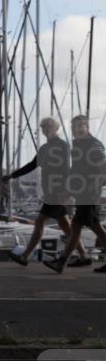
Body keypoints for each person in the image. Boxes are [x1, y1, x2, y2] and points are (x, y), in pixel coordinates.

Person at [2, 117, 90, 266]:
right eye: (43, 128)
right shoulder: (44, 148)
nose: (45, 130)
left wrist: (64, 189)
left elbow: (65, 169)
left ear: (56, 128)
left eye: (48, 127)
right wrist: (12, 175)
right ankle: (83, 254)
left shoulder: (62, 145)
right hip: (50, 190)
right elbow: (32, 165)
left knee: (40, 221)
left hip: (57, 191)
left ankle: (25, 256)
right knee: (65, 225)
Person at [44, 115, 106, 273]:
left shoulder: (93, 146)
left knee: (82, 225)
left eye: (80, 126)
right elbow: (76, 171)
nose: (76, 130)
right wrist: (68, 190)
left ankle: (62, 261)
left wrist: (94, 187)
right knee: (90, 226)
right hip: (82, 193)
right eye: (73, 127)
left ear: (87, 127)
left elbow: (103, 168)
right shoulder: (79, 145)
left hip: (89, 194)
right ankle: (82, 258)